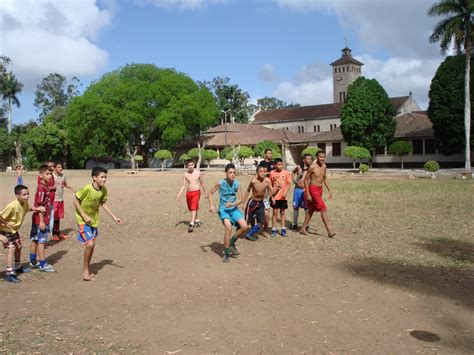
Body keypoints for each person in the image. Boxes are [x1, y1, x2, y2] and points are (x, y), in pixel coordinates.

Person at [73, 167, 123, 281]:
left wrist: (114, 217)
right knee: (89, 244)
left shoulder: (103, 190)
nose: (104, 179)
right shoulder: (86, 188)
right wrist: (84, 216)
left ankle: (88, 267)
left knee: (92, 245)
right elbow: (75, 201)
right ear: (94, 178)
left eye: (105, 177)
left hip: (94, 221)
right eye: (102, 177)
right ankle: (85, 270)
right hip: (82, 220)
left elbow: (103, 204)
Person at [0, 185, 45, 283]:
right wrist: (1, 236)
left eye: (28, 194)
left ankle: (17, 267)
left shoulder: (24, 203)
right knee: (12, 248)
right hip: (4, 230)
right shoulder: (12, 206)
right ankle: (9, 273)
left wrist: (37, 209)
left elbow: (27, 209)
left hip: (13, 230)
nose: (27, 196)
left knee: (19, 246)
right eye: (24, 194)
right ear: (17, 195)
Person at [208, 163, 248, 263]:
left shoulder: (237, 184)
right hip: (223, 209)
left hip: (233, 208)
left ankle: (231, 243)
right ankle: (226, 254)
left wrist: (232, 204)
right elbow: (210, 193)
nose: (232, 174)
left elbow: (241, 199)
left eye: (234, 172)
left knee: (244, 227)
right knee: (228, 228)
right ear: (226, 173)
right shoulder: (221, 183)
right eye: (230, 172)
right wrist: (212, 205)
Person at [301, 151, 336, 238]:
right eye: (320, 157)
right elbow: (305, 180)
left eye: (324, 157)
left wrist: (329, 190)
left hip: (320, 190)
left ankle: (303, 228)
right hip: (313, 189)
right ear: (316, 157)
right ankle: (329, 230)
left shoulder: (324, 166)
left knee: (312, 209)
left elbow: (324, 178)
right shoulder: (312, 167)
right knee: (323, 208)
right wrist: (308, 193)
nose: (322, 158)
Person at [29, 164, 55, 272]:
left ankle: (33, 262)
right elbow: (40, 206)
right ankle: (42, 264)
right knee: (41, 241)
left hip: (38, 219)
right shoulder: (41, 187)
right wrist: (42, 222)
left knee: (35, 240)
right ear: (41, 175)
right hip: (40, 219)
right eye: (47, 174)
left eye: (50, 174)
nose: (49, 176)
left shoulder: (45, 186)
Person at [243, 165, 277, 241]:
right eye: (260, 171)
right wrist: (244, 203)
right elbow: (248, 190)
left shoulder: (267, 180)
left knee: (261, 222)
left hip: (261, 203)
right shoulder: (253, 181)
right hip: (252, 202)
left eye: (264, 172)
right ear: (257, 173)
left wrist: (274, 194)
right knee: (246, 223)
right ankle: (239, 232)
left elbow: (270, 191)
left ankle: (249, 234)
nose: (262, 173)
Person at [177, 160, 206, 232]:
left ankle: (191, 223)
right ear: (187, 166)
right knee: (192, 208)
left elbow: (202, 183)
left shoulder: (199, 173)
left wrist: (206, 192)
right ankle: (197, 220)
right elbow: (183, 185)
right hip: (188, 193)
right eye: (189, 165)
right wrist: (179, 194)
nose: (191, 166)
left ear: (194, 165)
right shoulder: (185, 174)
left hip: (196, 192)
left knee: (193, 207)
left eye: (192, 164)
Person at [269, 158, 292, 237]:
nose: (280, 166)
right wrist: (272, 196)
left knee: (282, 212)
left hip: (283, 197)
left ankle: (283, 229)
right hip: (275, 197)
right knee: (275, 213)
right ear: (275, 165)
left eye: (281, 164)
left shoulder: (286, 173)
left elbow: (289, 183)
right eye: (278, 164)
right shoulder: (272, 173)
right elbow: (270, 186)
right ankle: (274, 229)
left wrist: (286, 192)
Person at [291, 153, 313, 230]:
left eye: (311, 159)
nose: (310, 160)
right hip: (297, 190)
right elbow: (293, 173)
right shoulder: (298, 167)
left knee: (306, 208)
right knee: (295, 207)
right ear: (304, 160)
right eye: (308, 159)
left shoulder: (311, 169)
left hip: (305, 190)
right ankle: (294, 223)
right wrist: (294, 180)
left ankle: (306, 225)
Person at [52, 162, 74, 240]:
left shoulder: (63, 176)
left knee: (58, 217)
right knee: (53, 217)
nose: (60, 168)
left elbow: (64, 184)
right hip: (54, 199)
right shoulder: (51, 176)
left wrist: (71, 187)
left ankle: (58, 233)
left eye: (61, 167)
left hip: (60, 199)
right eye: (58, 167)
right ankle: (54, 234)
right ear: (54, 168)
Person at [258, 148, 275, 237]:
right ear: (265, 154)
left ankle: (271, 228)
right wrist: (270, 172)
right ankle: (262, 228)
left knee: (274, 209)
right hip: (264, 188)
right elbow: (260, 174)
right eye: (268, 153)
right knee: (264, 211)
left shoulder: (273, 163)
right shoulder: (262, 163)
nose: (270, 154)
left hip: (273, 188)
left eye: (271, 153)